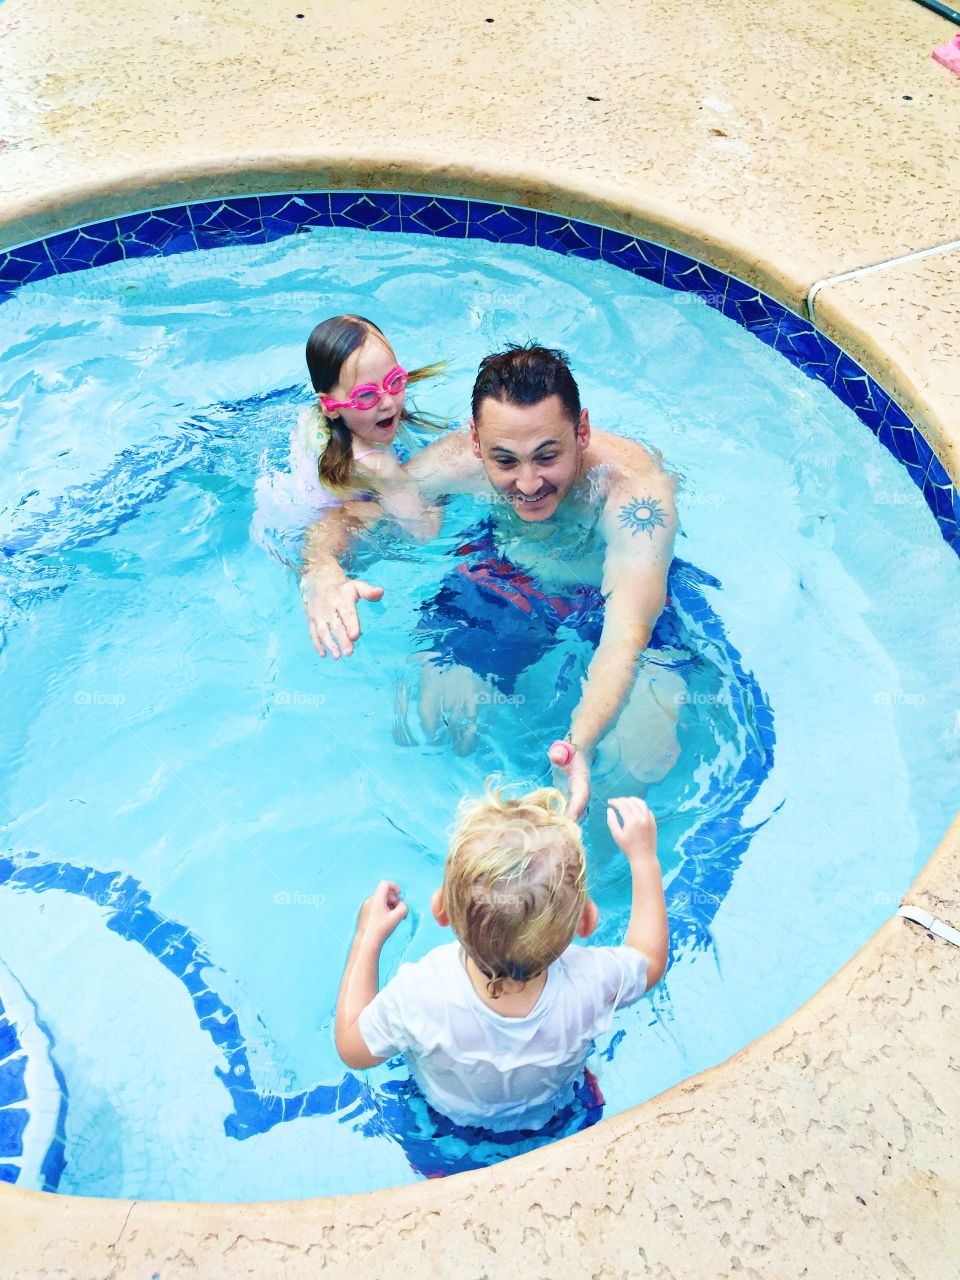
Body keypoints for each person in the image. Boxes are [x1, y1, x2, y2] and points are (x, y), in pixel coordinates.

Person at [300, 343, 685, 817]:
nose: (527, 484)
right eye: (505, 462)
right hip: (509, 580)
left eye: (547, 457)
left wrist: (579, 743)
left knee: (634, 760)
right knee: (434, 720)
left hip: (613, 601)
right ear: (477, 443)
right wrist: (322, 571)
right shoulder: (462, 457)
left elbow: (626, 635)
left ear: (581, 431)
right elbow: (349, 519)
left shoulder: (635, 496)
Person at [334, 787, 668, 1132]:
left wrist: (367, 938)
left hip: (446, 1136)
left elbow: (352, 1048)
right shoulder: (594, 979)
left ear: (440, 909)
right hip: (564, 1121)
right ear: (587, 920)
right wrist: (644, 860)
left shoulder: (417, 995)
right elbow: (649, 959)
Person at [252, 313, 445, 586]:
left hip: (281, 504)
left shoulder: (313, 419)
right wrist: (438, 496)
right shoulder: (377, 466)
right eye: (366, 395)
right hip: (330, 542)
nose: (389, 403)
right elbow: (425, 531)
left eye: (394, 381)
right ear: (330, 405)